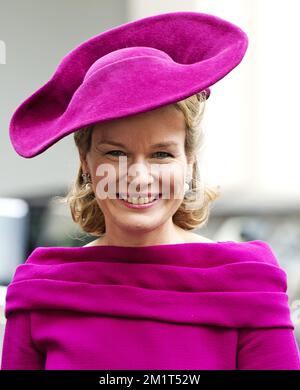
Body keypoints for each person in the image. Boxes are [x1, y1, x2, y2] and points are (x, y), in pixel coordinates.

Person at [2, 11, 300, 370]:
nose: (139, 176)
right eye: (116, 153)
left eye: (161, 154)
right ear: (86, 160)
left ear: (188, 160)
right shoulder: (41, 290)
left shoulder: (246, 282)